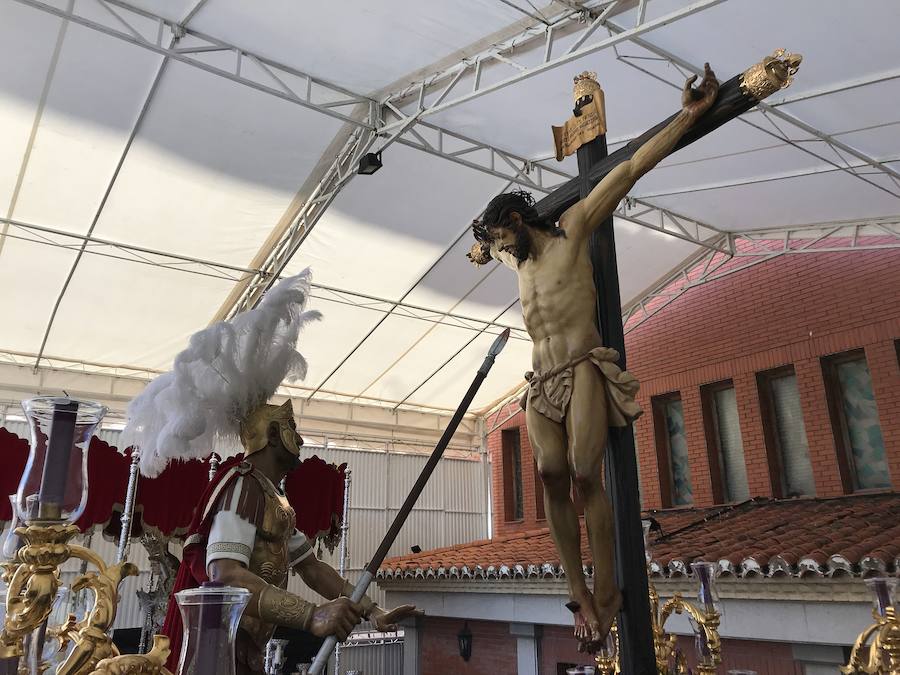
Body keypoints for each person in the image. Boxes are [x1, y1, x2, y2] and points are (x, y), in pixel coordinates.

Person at [467, 65, 719, 651]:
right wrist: (484, 252)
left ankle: (608, 589)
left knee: (584, 475)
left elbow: (629, 168)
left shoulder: (573, 229)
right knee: (549, 474)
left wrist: (688, 115)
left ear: (516, 221)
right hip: (541, 378)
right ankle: (577, 590)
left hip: (581, 364)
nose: (499, 249)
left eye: (500, 238)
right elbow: (485, 250)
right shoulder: (517, 259)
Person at [122, 270, 421, 674]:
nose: (299, 436)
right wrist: (313, 616)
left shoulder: (271, 496)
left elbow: (312, 569)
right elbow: (224, 573)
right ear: (272, 436)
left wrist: (371, 611)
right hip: (220, 650)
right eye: (292, 428)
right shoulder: (241, 487)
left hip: (245, 647)